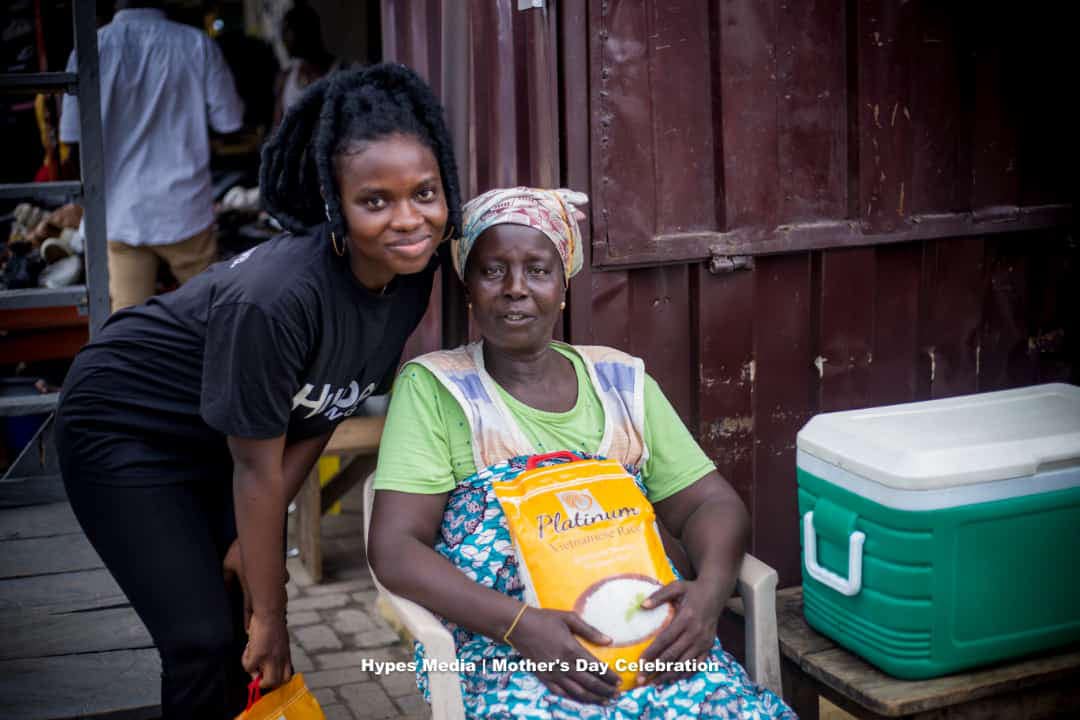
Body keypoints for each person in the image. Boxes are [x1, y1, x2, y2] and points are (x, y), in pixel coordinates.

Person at [54, 63, 462, 719]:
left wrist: (256, 553)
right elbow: (255, 469)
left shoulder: (411, 273)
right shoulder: (277, 301)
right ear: (336, 202)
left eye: (426, 193)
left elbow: (329, 404)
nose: (408, 219)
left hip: (225, 432)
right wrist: (276, 609)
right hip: (124, 427)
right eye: (376, 201)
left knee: (240, 621)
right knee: (203, 637)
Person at [369, 187, 795, 718]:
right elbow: (395, 547)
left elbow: (711, 505)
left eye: (538, 270)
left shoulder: (620, 382)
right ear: (469, 290)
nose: (516, 290)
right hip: (504, 651)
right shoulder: (437, 389)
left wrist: (707, 596)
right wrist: (519, 625)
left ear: (563, 286)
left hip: (655, 647)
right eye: (494, 271)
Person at [59, 0, 244, 311]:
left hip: (122, 214)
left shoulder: (91, 50)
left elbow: (72, 138)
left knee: (129, 329)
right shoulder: (196, 44)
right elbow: (230, 122)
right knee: (210, 319)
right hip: (185, 211)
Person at [274, 1, 340, 127]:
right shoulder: (285, 78)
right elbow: (277, 130)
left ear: (307, 31)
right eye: (282, 31)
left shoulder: (342, 73)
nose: (283, 39)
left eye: (287, 30)